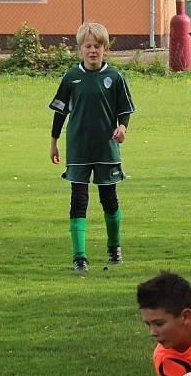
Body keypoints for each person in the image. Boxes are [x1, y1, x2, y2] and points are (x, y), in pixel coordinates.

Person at [49, 22, 135, 273]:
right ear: (80, 50)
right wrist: (53, 143)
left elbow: (124, 111)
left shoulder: (115, 77)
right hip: (78, 149)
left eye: (98, 46)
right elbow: (59, 112)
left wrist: (122, 128)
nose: (93, 50)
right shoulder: (71, 77)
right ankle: (79, 257)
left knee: (109, 199)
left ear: (105, 49)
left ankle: (114, 249)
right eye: (88, 46)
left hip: (106, 149)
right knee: (79, 200)